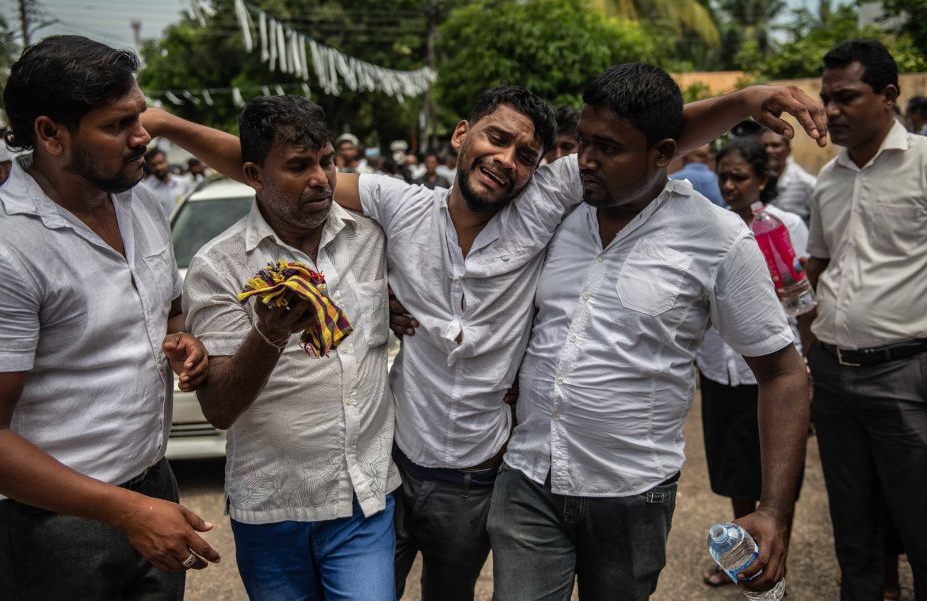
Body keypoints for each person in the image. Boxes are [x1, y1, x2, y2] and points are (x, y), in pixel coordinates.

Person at [142, 77, 827, 601]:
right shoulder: (397, 205)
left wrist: (745, 101)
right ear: (462, 133)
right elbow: (279, 166)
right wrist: (167, 122)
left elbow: (643, 138)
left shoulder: (544, 206)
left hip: (479, 482)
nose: (506, 159)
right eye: (495, 139)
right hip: (393, 472)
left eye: (526, 153)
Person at [487, 64, 810, 601]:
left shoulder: (717, 238)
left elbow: (783, 374)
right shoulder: (559, 206)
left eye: (608, 148)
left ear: (664, 152)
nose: (585, 159)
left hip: (632, 494)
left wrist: (773, 510)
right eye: (583, 141)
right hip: (528, 477)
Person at [0, 35, 219, 600]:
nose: (144, 136)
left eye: (140, 116)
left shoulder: (138, 198)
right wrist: (127, 512)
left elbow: (167, 307)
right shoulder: (10, 247)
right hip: (53, 525)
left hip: (153, 485)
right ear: (50, 134)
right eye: (118, 125)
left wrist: (182, 338)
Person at [182, 95, 398, 600]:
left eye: (326, 161)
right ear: (255, 174)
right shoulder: (219, 266)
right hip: (270, 511)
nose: (321, 178)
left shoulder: (373, 239)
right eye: (299, 166)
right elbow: (218, 407)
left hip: (363, 500)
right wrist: (270, 333)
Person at [802, 39, 927, 601]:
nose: (830, 111)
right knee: (851, 525)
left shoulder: (923, 165)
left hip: (905, 373)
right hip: (832, 375)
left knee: (919, 519)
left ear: (889, 96)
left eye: (846, 97)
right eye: (826, 98)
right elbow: (822, 268)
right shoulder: (828, 179)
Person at [696, 137, 808, 587]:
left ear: (762, 178)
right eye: (722, 176)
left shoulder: (785, 226)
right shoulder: (706, 227)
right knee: (734, 468)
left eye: (738, 177)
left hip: (767, 372)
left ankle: (774, 556)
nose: (728, 186)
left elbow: (804, 305)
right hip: (719, 368)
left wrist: (806, 368)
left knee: (775, 473)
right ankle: (740, 556)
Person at [759, 128, 817, 226]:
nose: (768, 150)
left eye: (775, 145)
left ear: (788, 150)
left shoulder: (807, 183)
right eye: (764, 146)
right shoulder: (755, 181)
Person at [142, 147, 194, 216]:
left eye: (161, 162)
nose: (158, 167)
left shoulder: (182, 183)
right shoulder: (146, 190)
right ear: (149, 166)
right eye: (153, 165)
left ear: (167, 161)